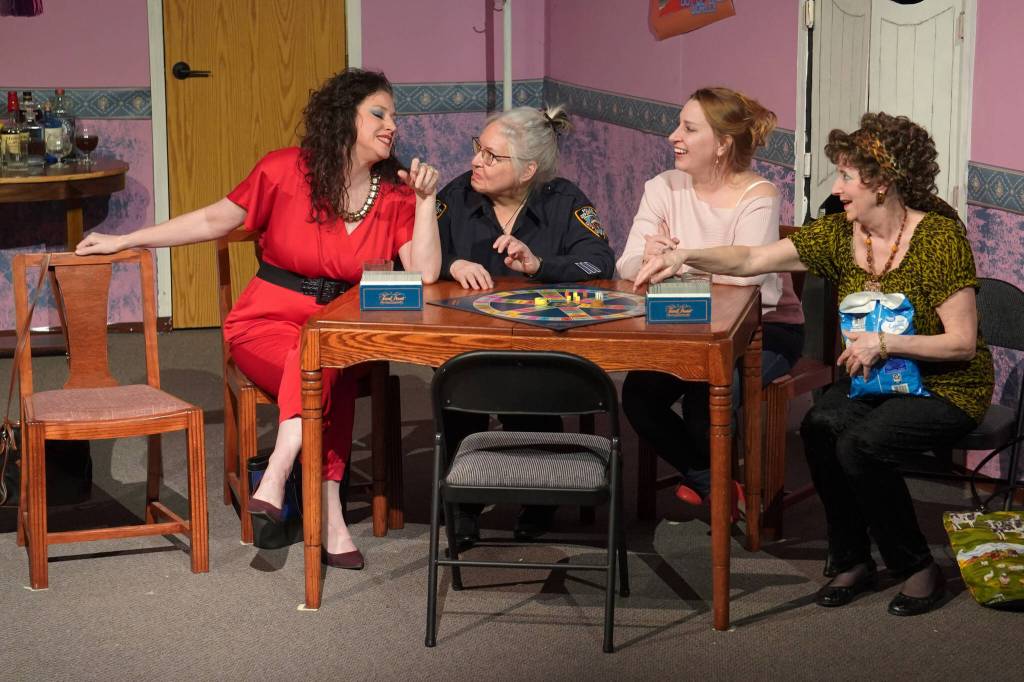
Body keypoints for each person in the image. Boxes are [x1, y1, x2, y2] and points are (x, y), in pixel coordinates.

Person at [76, 68, 442, 570]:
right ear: (343, 118)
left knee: (321, 354)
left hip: (341, 329)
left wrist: (425, 206)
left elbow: (424, 273)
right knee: (313, 361)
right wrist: (126, 239)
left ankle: (281, 466)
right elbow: (211, 220)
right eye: (378, 114)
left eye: (394, 117)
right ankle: (327, 508)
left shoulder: (398, 196)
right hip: (265, 321)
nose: (391, 126)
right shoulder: (282, 170)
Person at [635, 111, 994, 617]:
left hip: (946, 387)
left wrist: (887, 345)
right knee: (822, 426)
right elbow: (751, 259)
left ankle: (916, 565)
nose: (838, 187)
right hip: (876, 383)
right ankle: (852, 558)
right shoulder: (839, 236)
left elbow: (961, 344)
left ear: (883, 183)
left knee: (863, 444)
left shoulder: (938, 239)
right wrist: (686, 256)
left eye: (848, 176)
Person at [617, 87, 804, 514]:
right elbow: (625, 264)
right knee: (639, 395)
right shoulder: (663, 187)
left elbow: (755, 283)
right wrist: (646, 257)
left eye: (688, 128)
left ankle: (712, 490)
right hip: (687, 330)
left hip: (766, 332)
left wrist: (679, 264)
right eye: (678, 125)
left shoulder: (758, 195)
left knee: (708, 392)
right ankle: (714, 482)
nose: (672, 136)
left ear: (721, 144)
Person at [436, 105, 616, 544]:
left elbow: (600, 261)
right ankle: (462, 505)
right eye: (479, 149)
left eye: (492, 156)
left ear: (527, 169)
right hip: (470, 343)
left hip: (540, 346)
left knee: (529, 387)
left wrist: (539, 265)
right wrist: (451, 262)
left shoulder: (564, 200)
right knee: (462, 390)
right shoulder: (455, 197)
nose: (476, 161)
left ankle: (539, 496)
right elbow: (412, 254)